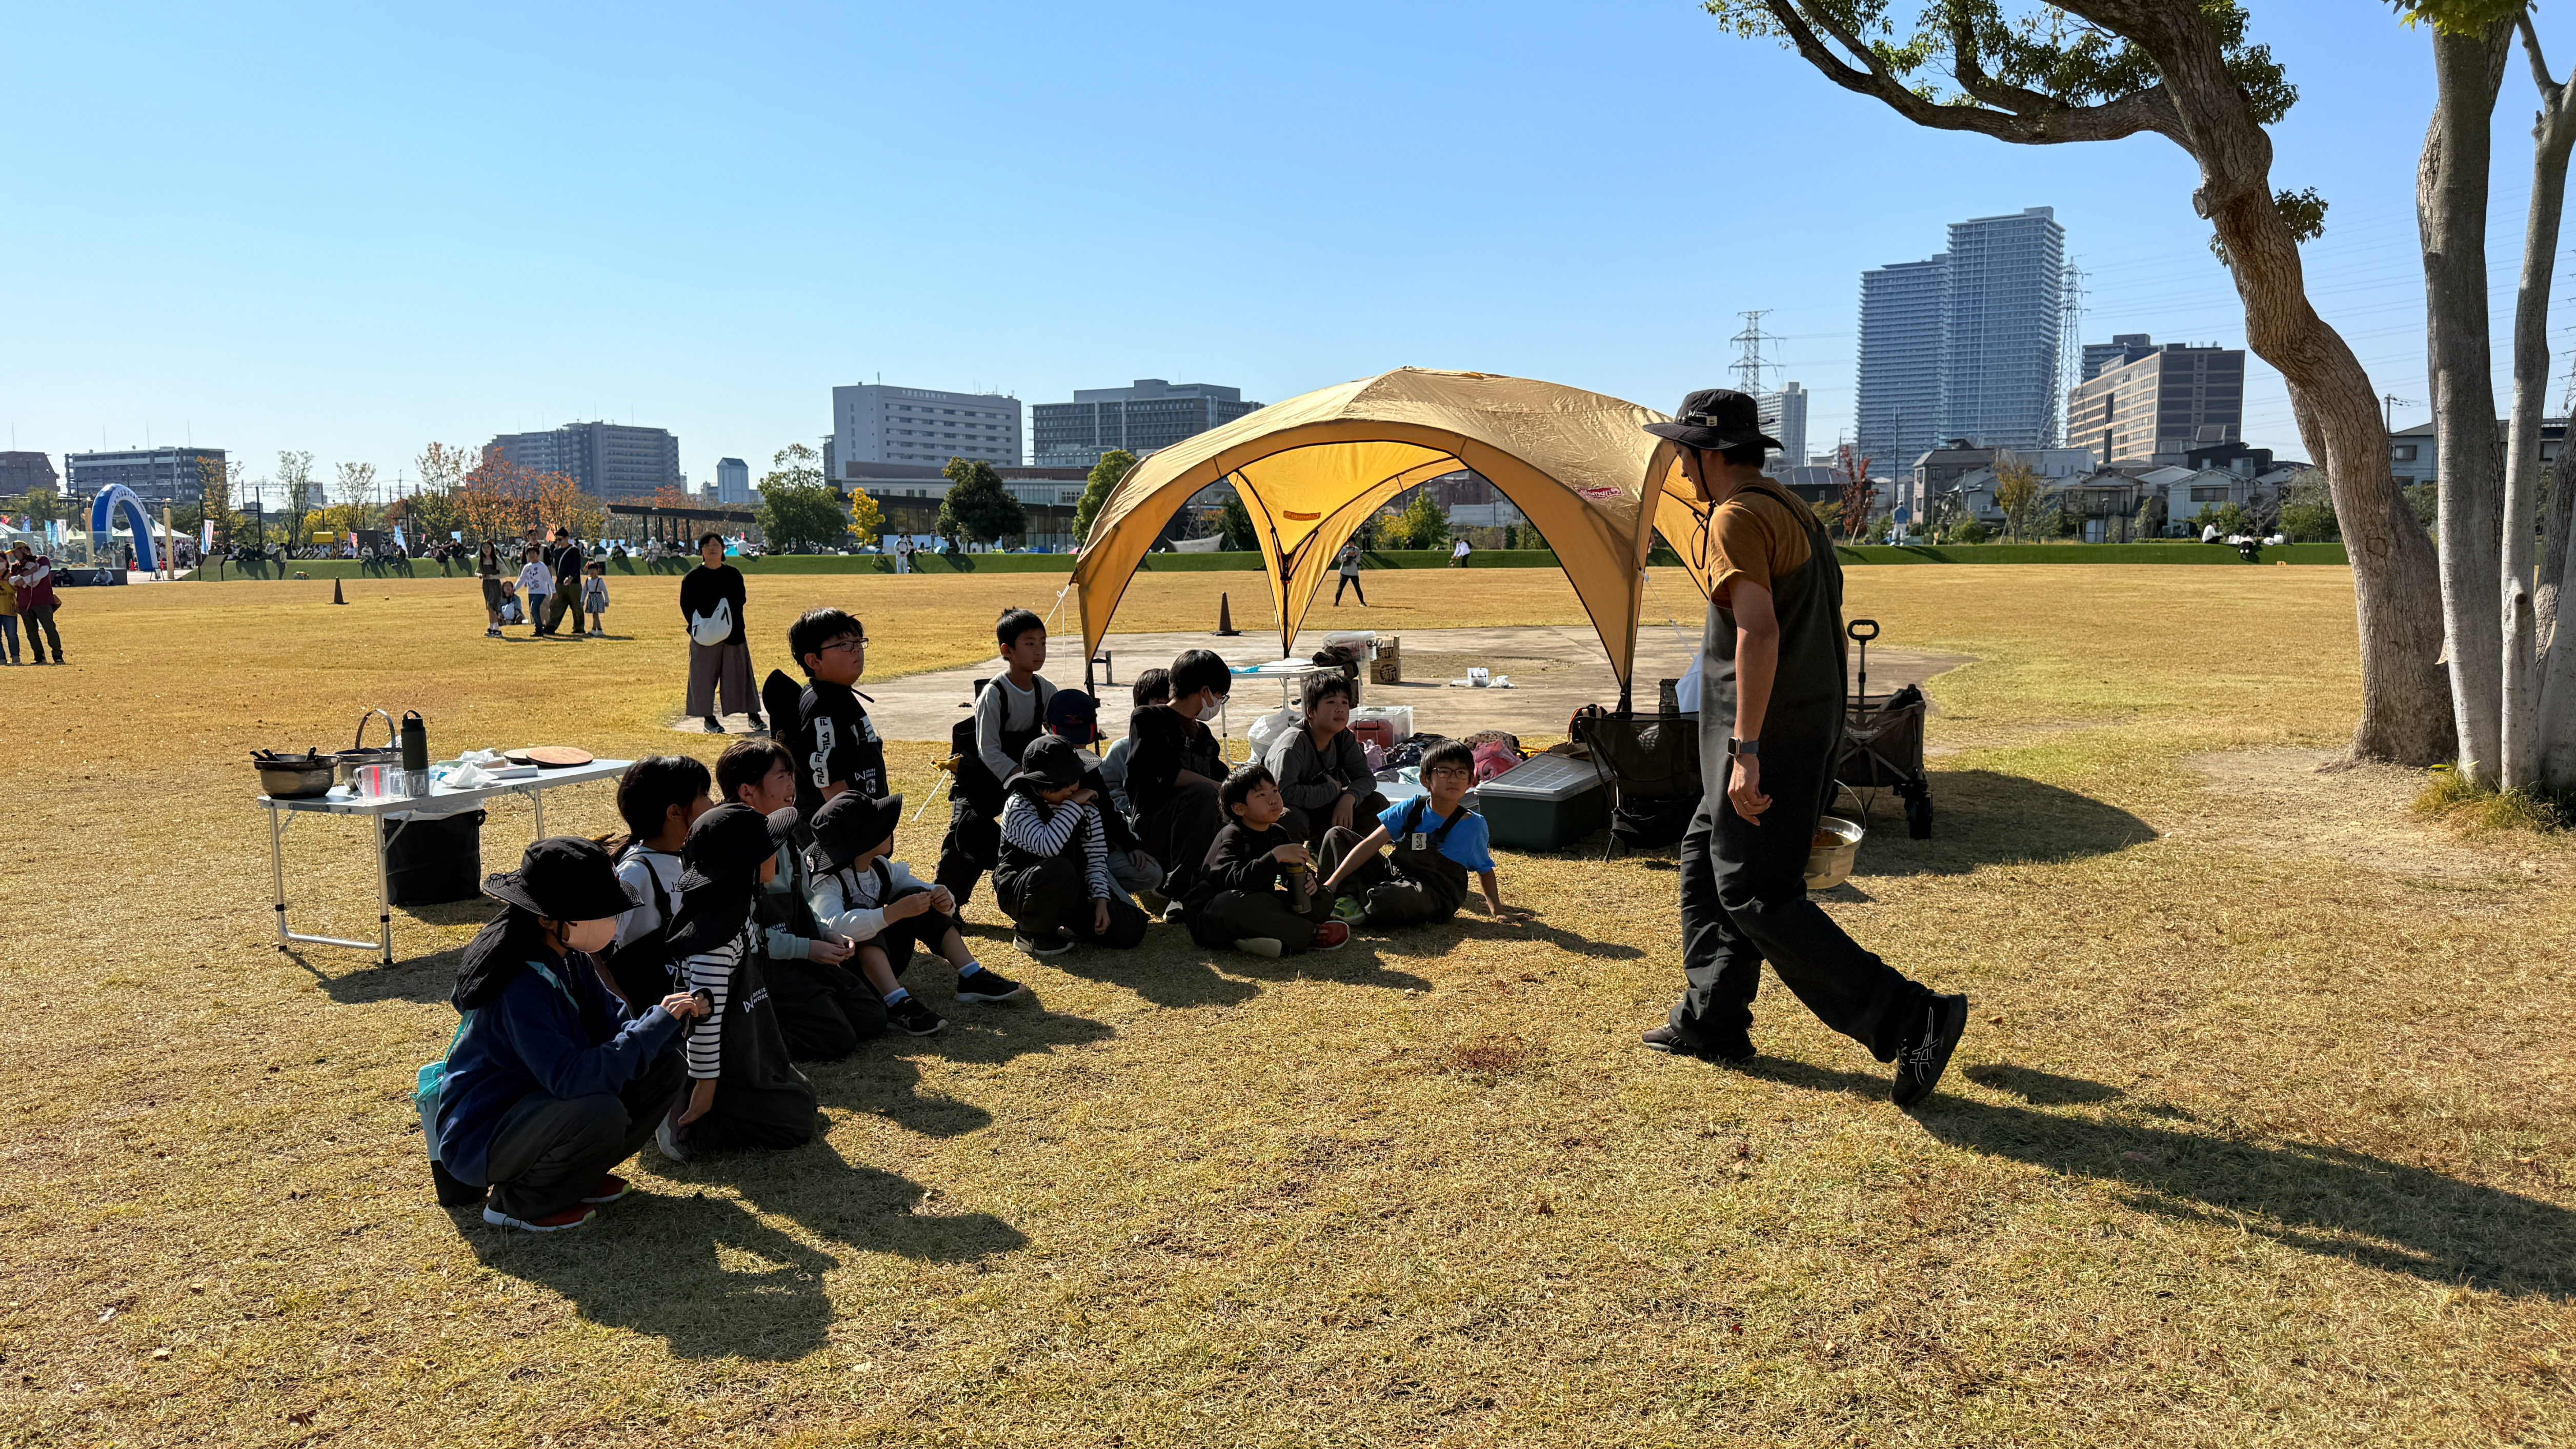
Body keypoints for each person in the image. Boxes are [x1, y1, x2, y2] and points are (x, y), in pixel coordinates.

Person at [1636, 388, 1967, 1105]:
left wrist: (1747, 750)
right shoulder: (1793, 512)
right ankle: (1712, 1020)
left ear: (1708, 453)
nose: (1680, 467)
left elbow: (1759, 632)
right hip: (1803, 722)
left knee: (1756, 891)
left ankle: (1910, 1018)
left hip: (1767, 734)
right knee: (1704, 857)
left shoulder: (1736, 517)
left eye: (1683, 453)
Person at [431, 837, 706, 1231]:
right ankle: (518, 1202)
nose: (612, 918)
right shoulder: (519, 986)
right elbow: (572, 1078)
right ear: (547, 919)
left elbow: (616, 1027)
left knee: (663, 1066)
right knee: (600, 1112)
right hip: (485, 1135)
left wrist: (667, 1024)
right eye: (597, 910)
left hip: (540, 1109)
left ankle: (576, 1177)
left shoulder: (571, 957)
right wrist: (652, 1028)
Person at [657, 801, 818, 1161]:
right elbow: (705, 1018)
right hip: (717, 1057)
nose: (776, 855)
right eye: (768, 850)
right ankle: (688, 1124)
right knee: (795, 1124)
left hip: (746, 1038)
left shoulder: (736, 904)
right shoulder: (714, 937)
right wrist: (705, 1084)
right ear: (744, 865)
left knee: (803, 1096)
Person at [711, 737, 886, 1061]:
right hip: (760, 967)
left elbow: (805, 904)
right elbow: (746, 938)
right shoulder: (731, 846)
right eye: (782, 777)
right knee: (837, 1038)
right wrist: (808, 949)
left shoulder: (787, 836)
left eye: (792, 775)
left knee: (871, 1016)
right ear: (747, 791)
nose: (793, 785)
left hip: (798, 955)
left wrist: (826, 935)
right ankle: (750, 1035)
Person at [807, 790, 1021, 1037]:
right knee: (859, 918)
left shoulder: (879, 867)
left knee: (918, 895)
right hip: (849, 974)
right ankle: (896, 1003)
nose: (891, 830)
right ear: (862, 842)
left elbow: (916, 888)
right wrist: (892, 914)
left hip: (885, 961)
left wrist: (942, 897)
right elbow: (835, 927)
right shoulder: (827, 883)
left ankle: (972, 975)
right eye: (882, 827)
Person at [1319, 738, 1519, 929]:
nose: (1453, 779)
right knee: (1337, 836)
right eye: (1444, 772)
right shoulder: (1412, 808)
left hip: (1432, 893)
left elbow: (1484, 869)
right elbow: (1371, 844)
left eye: (1461, 772)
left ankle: (1355, 903)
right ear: (1425, 779)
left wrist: (1497, 910)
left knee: (1396, 897)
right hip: (1394, 876)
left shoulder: (1474, 824)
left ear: (1470, 781)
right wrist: (1332, 882)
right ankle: (1330, 896)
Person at [936, 608, 1058, 911]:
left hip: (1023, 779)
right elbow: (988, 750)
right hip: (982, 777)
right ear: (1007, 651)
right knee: (964, 834)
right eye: (1029, 644)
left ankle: (1030, 890)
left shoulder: (1047, 690)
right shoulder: (994, 693)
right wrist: (1021, 778)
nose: (1039, 651)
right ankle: (945, 907)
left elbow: (1057, 736)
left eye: (1043, 642)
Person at [994, 735, 1152, 957]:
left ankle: (1067, 920)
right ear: (1039, 784)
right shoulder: (1019, 805)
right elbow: (1048, 846)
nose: (1071, 788)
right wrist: (1073, 805)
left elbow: (1096, 859)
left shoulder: (1085, 805)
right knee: (1059, 869)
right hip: (1024, 888)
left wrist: (1101, 901)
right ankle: (1030, 934)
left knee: (1130, 928)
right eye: (1061, 783)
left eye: (1074, 779)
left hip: (1072, 888)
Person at [1181, 762, 1351, 957]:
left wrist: (1308, 881)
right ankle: (1311, 934)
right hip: (1215, 915)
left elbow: (1292, 874)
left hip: (1259, 904)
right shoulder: (1231, 835)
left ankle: (1259, 936)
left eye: (1275, 791)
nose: (1273, 800)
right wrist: (1275, 857)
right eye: (1261, 795)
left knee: (1322, 898)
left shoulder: (1277, 833)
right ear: (1239, 808)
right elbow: (1235, 881)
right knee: (1233, 903)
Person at [602, 755, 715, 1010]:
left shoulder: (688, 857)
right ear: (675, 812)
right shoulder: (636, 873)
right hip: (656, 1009)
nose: (713, 803)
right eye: (705, 795)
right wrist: (622, 1006)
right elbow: (594, 951)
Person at [1126, 649, 1231, 911]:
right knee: (1205, 795)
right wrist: (1219, 789)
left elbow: (1222, 775)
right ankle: (1182, 893)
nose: (1219, 702)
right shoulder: (1148, 718)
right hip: (1156, 824)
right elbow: (1166, 773)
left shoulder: (1203, 734)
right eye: (1220, 696)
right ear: (1205, 691)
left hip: (1200, 821)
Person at [1046, 688, 1160, 896]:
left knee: (1151, 874)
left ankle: (1099, 890)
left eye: (1081, 735)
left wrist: (1131, 845)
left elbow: (1108, 810)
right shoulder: (1040, 765)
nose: (1076, 744)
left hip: (1097, 853)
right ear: (1048, 727)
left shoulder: (1089, 766)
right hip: (1059, 860)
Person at [783, 607, 889, 823]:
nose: (856, 649)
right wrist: (857, 829)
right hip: (843, 830)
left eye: (858, 642)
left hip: (867, 818)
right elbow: (830, 781)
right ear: (814, 661)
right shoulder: (821, 706)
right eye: (844, 644)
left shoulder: (840, 694)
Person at [1266, 673, 1390, 849]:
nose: (1340, 709)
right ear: (1311, 711)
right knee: (1289, 818)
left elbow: (1366, 777)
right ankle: (1289, 860)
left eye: (1344, 702)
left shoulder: (1343, 737)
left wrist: (1349, 798)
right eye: (1331, 702)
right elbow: (1283, 794)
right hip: (1298, 810)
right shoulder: (1293, 744)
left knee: (1377, 804)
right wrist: (1332, 790)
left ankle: (1329, 851)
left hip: (1327, 807)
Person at [681, 532, 759, 733]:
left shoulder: (733, 574)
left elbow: (741, 600)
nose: (712, 548)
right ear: (702, 551)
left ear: (723, 549)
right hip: (704, 635)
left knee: (741, 675)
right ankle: (709, 720)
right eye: (707, 545)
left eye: (716, 544)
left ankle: (753, 715)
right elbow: (687, 606)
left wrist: (728, 622)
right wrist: (703, 625)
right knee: (703, 678)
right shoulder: (692, 578)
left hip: (734, 634)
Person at [1098, 668, 1169, 821]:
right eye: (1160, 705)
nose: (1166, 711)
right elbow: (1107, 787)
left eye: (1170, 705)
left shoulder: (1184, 745)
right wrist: (1131, 808)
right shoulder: (1121, 750)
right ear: (1140, 707)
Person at [8, 542, 61, 665]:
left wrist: (24, 579)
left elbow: (43, 573)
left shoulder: (42, 560)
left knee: (49, 628)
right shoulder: (16, 566)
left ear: (23, 550)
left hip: (43, 601)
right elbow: (11, 581)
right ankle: (39, 656)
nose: (14, 555)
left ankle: (57, 655)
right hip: (24, 603)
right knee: (31, 632)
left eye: (16, 551)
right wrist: (25, 575)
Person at [543, 527, 587, 637]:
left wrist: (571, 577)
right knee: (556, 606)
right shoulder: (556, 551)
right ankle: (551, 627)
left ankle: (579, 628)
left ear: (567, 538)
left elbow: (576, 567)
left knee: (576, 607)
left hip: (574, 584)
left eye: (560, 539)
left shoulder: (574, 550)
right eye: (556, 540)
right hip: (560, 583)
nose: (558, 542)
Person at [514, 546, 552, 637]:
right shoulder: (527, 567)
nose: (531, 555)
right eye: (529, 554)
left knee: (534, 609)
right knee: (534, 611)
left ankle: (539, 629)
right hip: (531, 592)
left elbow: (549, 579)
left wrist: (553, 591)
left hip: (541, 592)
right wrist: (515, 588)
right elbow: (522, 579)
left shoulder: (542, 566)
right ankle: (539, 629)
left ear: (538, 555)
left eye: (533, 553)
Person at [476, 541, 506, 638]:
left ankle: (496, 629)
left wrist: (493, 577)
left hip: (495, 585)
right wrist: (480, 575)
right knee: (489, 607)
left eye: (488, 547)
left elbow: (506, 573)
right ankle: (491, 628)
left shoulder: (496, 560)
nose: (486, 550)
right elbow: (477, 572)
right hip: (486, 585)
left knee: (493, 606)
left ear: (492, 548)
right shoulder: (482, 560)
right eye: (484, 548)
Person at [1332, 539, 1366, 606]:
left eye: (1352, 542)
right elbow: (1340, 560)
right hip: (1345, 571)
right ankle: (1336, 602)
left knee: (1357, 588)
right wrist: (1346, 556)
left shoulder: (1357, 550)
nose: (1350, 544)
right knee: (1341, 588)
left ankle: (1362, 602)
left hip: (1354, 572)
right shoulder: (1343, 550)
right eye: (1349, 542)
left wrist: (1354, 556)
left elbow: (1358, 560)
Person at [581, 560, 610, 637]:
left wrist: (607, 601)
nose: (592, 572)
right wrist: (582, 600)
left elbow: (605, 591)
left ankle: (594, 629)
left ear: (598, 571)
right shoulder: (588, 580)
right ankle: (600, 630)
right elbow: (585, 591)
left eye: (594, 570)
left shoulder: (600, 581)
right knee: (595, 614)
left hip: (598, 598)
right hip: (591, 598)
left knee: (595, 614)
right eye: (591, 570)